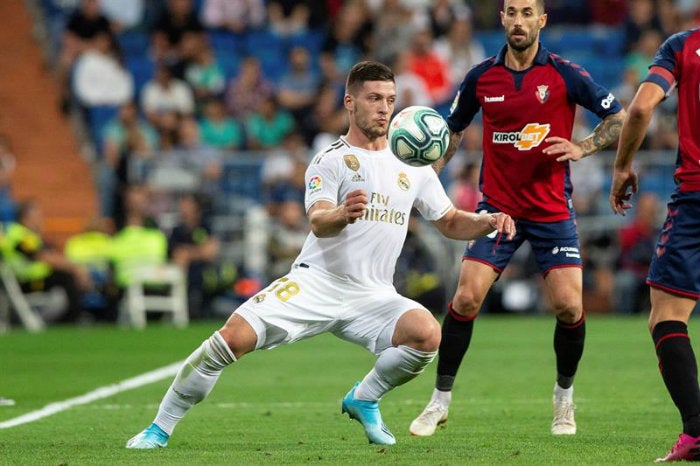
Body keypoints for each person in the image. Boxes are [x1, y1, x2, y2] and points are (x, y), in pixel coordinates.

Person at [125, 60, 515, 449]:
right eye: (374, 98)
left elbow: (448, 221)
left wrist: (488, 221)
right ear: (350, 102)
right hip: (317, 282)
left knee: (427, 335)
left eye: (390, 100)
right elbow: (318, 220)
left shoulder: (413, 164)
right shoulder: (331, 159)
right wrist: (342, 214)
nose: (384, 108)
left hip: (373, 294)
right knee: (229, 340)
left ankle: (364, 397)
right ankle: (159, 427)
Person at [409, 0, 626, 438]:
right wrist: (429, 175)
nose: (519, 20)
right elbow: (452, 130)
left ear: (542, 20)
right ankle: (439, 402)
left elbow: (619, 117)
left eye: (528, 12)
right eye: (512, 12)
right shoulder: (481, 77)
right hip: (497, 211)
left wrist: (583, 147)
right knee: (467, 297)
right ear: (503, 19)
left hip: (551, 211)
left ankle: (564, 400)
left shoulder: (565, 73)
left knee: (569, 307)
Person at [609, 27, 700, 462]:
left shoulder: (683, 46)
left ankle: (697, 431)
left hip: (697, 197)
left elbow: (642, 107)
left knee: (666, 317)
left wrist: (623, 166)